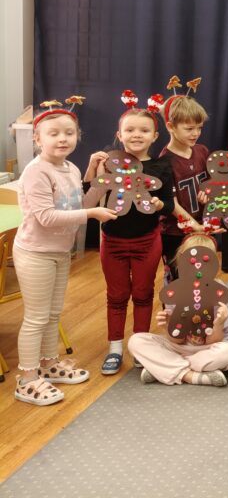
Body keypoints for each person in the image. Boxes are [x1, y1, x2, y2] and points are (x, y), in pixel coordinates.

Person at [13, 99, 117, 406]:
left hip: (59, 251)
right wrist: (93, 214)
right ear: (37, 139)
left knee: (53, 314)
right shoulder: (36, 172)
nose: (62, 139)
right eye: (54, 133)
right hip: (35, 252)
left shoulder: (70, 167)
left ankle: (48, 364)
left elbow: (77, 205)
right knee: (36, 318)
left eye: (69, 133)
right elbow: (47, 217)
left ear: (77, 136)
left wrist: (96, 179)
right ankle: (27, 379)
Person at [83, 91, 174, 375]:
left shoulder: (161, 166)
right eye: (130, 130)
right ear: (119, 135)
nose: (137, 135)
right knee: (117, 295)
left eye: (144, 130)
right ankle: (115, 349)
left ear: (154, 136)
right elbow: (87, 199)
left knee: (144, 294)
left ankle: (140, 347)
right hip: (113, 242)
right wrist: (91, 168)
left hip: (148, 241)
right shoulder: (108, 164)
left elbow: (169, 203)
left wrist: (159, 204)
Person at [128, 230, 228, 387]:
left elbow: (216, 339)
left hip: (210, 346)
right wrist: (168, 325)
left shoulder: (220, 291)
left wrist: (219, 324)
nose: (198, 268)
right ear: (181, 262)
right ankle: (190, 375)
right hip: (179, 347)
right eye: (191, 262)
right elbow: (177, 339)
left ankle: (165, 368)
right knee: (136, 341)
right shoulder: (175, 290)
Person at [158, 78, 211, 283]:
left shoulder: (202, 151)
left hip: (201, 226)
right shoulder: (165, 161)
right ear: (171, 126)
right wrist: (192, 225)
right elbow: (171, 203)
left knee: (201, 280)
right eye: (189, 129)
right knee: (179, 282)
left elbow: (211, 183)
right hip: (175, 233)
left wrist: (208, 193)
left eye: (199, 128)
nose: (196, 133)